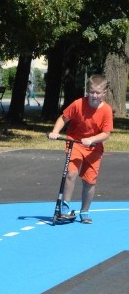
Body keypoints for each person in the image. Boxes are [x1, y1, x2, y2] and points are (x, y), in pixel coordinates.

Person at [47, 74, 113, 224]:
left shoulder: (106, 110)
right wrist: (56, 132)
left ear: (104, 93)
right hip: (75, 142)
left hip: (94, 147)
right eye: (91, 92)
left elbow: (106, 133)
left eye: (97, 92)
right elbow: (63, 118)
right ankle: (65, 207)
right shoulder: (78, 104)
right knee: (71, 173)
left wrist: (91, 139)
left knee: (89, 181)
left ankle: (85, 211)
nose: (94, 95)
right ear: (87, 91)